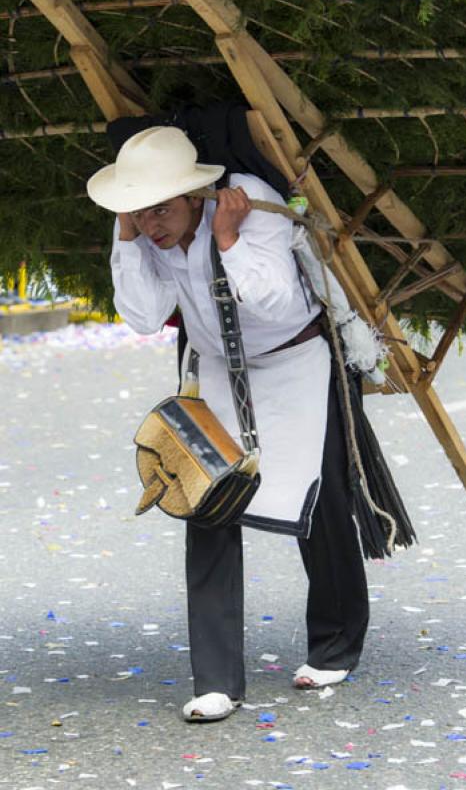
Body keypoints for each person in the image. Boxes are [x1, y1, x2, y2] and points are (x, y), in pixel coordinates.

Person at [87, 125, 369, 723]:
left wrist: (228, 239)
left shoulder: (253, 207)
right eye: (139, 211)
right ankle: (216, 679)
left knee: (319, 503)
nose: (153, 222)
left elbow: (281, 306)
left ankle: (336, 642)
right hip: (218, 373)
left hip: (295, 361)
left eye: (160, 208)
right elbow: (141, 315)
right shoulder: (146, 232)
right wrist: (126, 231)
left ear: (196, 194)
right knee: (206, 509)